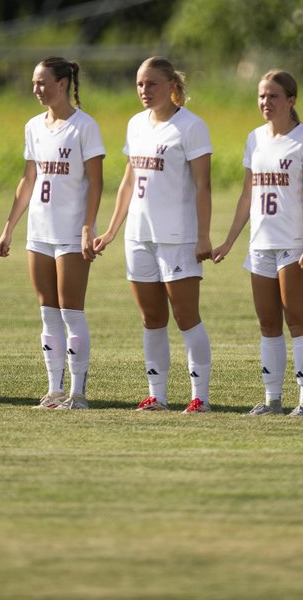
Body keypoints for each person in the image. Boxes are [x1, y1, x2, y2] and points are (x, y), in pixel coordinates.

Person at [93, 57, 214, 413]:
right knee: (151, 319)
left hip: (177, 237)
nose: (144, 90)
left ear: (172, 85)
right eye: (139, 84)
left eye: (151, 84)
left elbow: (203, 186)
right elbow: (129, 181)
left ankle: (200, 397)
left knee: (186, 317)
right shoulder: (136, 124)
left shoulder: (191, 127)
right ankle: (157, 395)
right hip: (139, 236)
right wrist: (112, 230)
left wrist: (203, 236)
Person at [212, 71, 303, 416]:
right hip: (261, 244)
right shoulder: (255, 138)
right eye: (262, 96)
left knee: (297, 320)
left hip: (294, 244)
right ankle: (273, 399)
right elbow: (248, 194)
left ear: (291, 100)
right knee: (268, 324)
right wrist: (230, 240)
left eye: (273, 96)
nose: (265, 102)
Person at [0, 57, 104, 410]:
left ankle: (77, 393)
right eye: (34, 83)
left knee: (71, 311)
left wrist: (87, 227)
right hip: (39, 231)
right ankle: (54, 390)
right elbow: (29, 179)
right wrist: (9, 228)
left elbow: (96, 182)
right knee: (48, 312)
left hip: (71, 232)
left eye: (42, 82)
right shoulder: (33, 126)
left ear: (62, 83)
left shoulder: (84, 126)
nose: (36, 89)